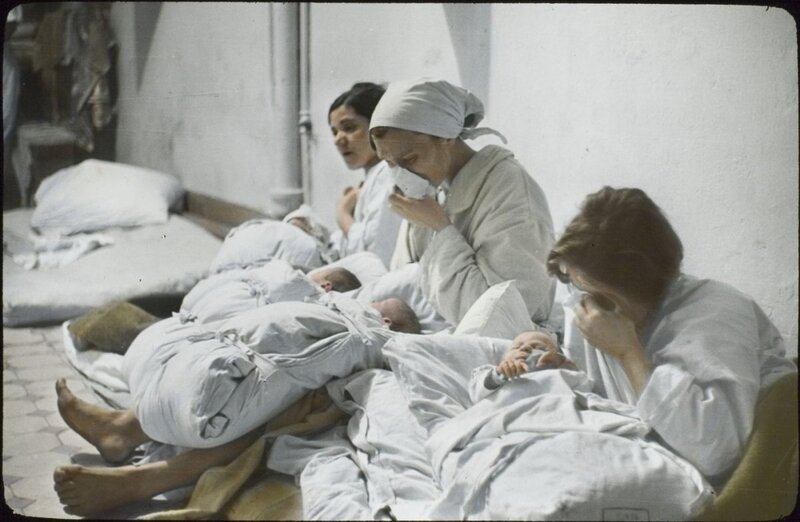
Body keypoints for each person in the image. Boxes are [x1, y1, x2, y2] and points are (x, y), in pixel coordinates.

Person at [53, 297, 420, 516]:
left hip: (247, 398)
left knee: (295, 404)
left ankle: (144, 479)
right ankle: (122, 428)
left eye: (376, 304)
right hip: (228, 373)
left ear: (385, 320)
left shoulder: (370, 333)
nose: (366, 302)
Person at [543, 186, 795, 489]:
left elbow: (714, 451)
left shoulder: (715, 314)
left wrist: (628, 353)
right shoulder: (599, 308)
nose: (582, 308)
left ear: (634, 287)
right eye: (573, 286)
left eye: (590, 293)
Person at [369, 79, 555, 325]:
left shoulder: (507, 188)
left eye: (409, 159)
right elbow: (402, 289)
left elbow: (502, 317)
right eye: (390, 164)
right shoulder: (429, 189)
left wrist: (441, 229)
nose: (402, 176)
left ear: (446, 137)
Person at [329, 82, 403, 268]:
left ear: (377, 126)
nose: (338, 139)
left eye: (349, 127)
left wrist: (343, 214)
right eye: (334, 131)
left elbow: (375, 259)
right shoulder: (373, 178)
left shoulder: (387, 174)